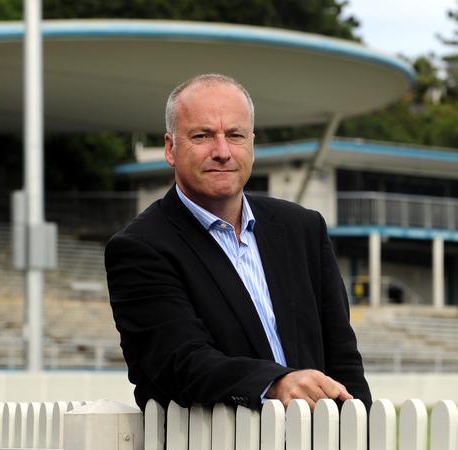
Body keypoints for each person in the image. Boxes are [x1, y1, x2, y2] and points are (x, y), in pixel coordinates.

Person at [105, 73, 371, 412]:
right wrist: (275, 384)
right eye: (202, 136)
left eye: (235, 135)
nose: (222, 151)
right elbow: (180, 362)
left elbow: (343, 357)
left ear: (251, 145)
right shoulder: (140, 248)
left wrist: (359, 439)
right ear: (171, 149)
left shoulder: (303, 228)